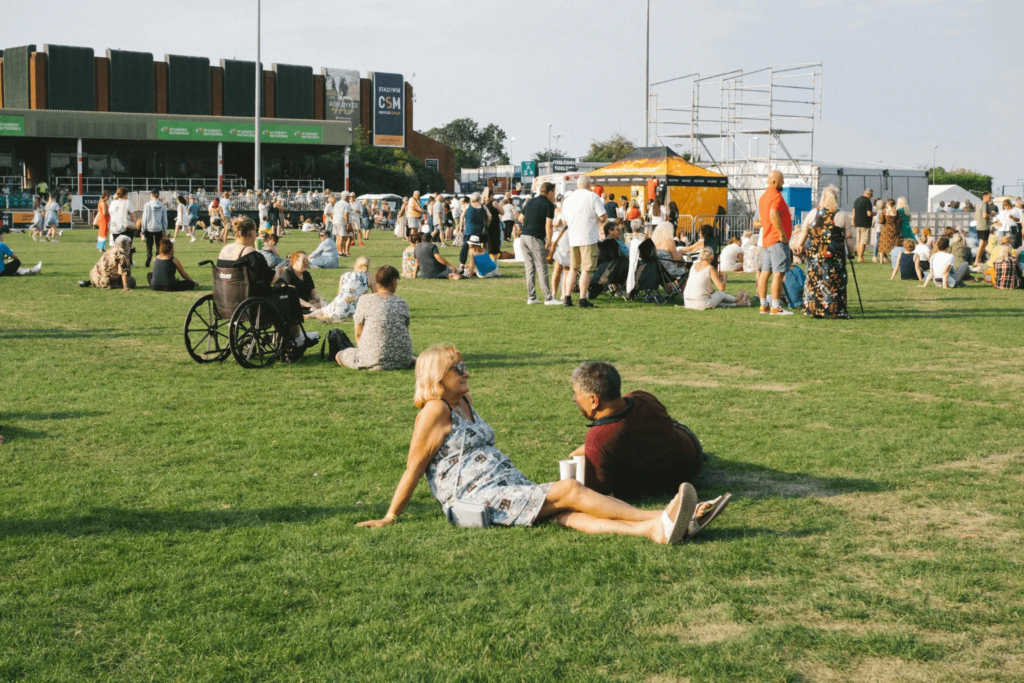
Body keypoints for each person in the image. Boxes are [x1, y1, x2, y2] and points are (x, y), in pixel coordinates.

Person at [356, 344, 723, 544]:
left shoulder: (463, 402)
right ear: (438, 377)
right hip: (473, 499)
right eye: (458, 369)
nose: (467, 372)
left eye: (466, 365)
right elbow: (414, 466)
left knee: (564, 514)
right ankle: (665, 515)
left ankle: (654, 531)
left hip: (505, 486)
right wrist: (390, 516)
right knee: (569, 489)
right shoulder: (434, 411)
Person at [564, 361, 710, 501]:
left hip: (669, 482)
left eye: (577, 394)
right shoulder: (643, 397)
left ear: (594, 400)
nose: (574, 399)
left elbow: (597, 495)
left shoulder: (599, 438)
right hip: (689, 458)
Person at [329, 265, 415, 371]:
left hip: (371, 360)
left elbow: (358, 334)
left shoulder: (365, 300)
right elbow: (404, 329)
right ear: (393, 281)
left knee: (339, 355)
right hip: (402, 360)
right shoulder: (402, 303)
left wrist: (365, 352)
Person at [792, 185, 852, 319]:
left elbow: (805, 231)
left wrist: (800, 244)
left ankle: (814, 309)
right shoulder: (842, 215)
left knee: (815, 281)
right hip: (834, 256)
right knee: (835, 282)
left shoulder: (813, 213)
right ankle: (835, 309)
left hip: (815, 256)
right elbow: (849, 236)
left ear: (822, 199)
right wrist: (852, 252)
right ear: (836, 199)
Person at [560, 175, 607, 308]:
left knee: (573, 269)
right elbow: (602, 217)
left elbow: (564, 221)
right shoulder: (592, 197)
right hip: (588, 237)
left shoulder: (568, 199)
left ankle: (567, 297)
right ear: (589, 184)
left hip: (573, 237)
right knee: (586, 270)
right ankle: (582, 298)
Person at [755, 170, 794, 315]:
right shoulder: (776, 196)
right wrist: (782, 234)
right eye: (781, 180)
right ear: (774, 182)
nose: (783, 183)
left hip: (766, 239)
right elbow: (773, 214)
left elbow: (760, 218)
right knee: (778, 273)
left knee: (765, 272)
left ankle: (763, 304)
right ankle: (776, 307)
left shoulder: (764, 197)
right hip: (776, 240)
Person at [217, 217, 280, 297]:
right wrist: (278, 270)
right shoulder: (251, 254)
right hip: (247, 298)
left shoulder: (224, 250)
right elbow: (271, 279)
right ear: (251, 232)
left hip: (224, 297)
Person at [520, 182, 558, 305]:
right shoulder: (549, 204)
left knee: (529, 268)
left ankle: (531, 297)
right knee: (542, 267)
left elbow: (521, 218)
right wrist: (549, 242)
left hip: (524, 236)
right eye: (554, 192)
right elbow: (549, 226)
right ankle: (548, 298)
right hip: (535, 237)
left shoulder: (529, 202)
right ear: (550, 192)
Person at [308, 255, 371, 322]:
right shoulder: (369, 276)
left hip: (338, 306)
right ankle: (324, 316)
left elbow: (339, 295)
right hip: (355, 310)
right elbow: (376, 294)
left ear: (355, 265)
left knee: (324, 309)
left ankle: (310, 315)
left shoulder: (344, 275)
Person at [683, 247, 748, 310]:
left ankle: (738, 304)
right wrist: (724, 277)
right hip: (701, 302)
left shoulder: (694, 265)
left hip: (687, 302)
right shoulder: (710, 268)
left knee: (714, 300)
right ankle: (737, 299)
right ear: (711, 256)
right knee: (720, 294)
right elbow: (721, 288)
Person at [651, 222, 687, 286]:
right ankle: (683, 293)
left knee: (680, 269)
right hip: (669, 272)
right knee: (684, 271)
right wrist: (680, 252)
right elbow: (677, 259)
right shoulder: (669, 241)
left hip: (658, 272)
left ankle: (670, 291)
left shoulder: (653, 242)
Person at [140, 190, 168, 267]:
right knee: (158, 244)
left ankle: (149, 254)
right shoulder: (162, 206)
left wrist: (143, 229)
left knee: (149, 244)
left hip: (149, 228)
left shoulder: (147, 205)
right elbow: (164, 219)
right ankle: (157, 257)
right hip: (158, 228)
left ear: (152, 195)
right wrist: (164, 230)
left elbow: (144, 218)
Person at [852, 188, 874, 263]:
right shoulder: (867, 201)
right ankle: (860, 257)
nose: (871, 197)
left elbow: (854, 212)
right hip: (865, 224)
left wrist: (853, 221)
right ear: (868, 194)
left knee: (858, 241)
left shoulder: (857, 200)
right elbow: (869, 214)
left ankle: (859, 256)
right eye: (871, 195)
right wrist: (875, 213)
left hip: (857, 223)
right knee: (863, 241)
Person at [974, 191, 995, 267]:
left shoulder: (978, 204)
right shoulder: (984, 204)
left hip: (979, 226)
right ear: (985, 197)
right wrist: (991, 215)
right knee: (982, 244)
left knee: (984, 243)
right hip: (984, 226)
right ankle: (977, 260)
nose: (990, 198)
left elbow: (975, 215)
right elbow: (985, 216)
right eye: (989, 197)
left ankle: (979, 259)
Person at [482, 188, 503, 257]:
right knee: (495, 243)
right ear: (490, 195)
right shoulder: (494, 203)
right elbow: (502, 212)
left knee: (486, 243)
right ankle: (494, 261)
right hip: (494, 225)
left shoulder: (483, 204)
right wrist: (500, 206)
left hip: (486, 225)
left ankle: (487, 260)